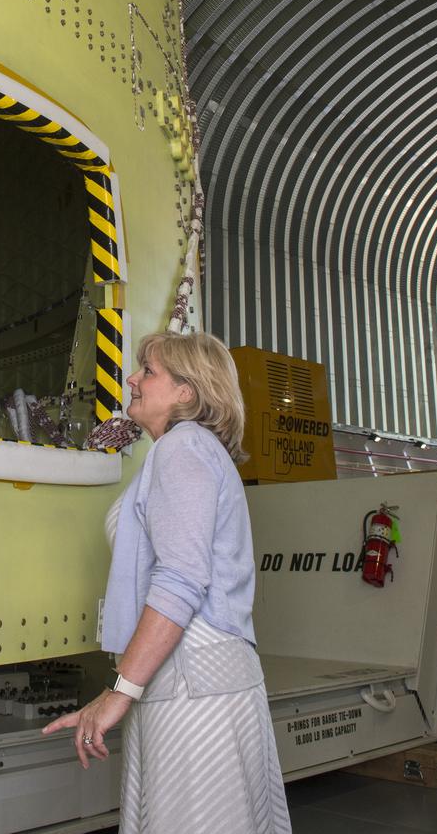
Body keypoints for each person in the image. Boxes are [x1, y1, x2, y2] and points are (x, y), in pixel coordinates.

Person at [42, 331, 291, 833]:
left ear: (186, 391)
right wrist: (124, 687)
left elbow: (179, 580)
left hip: (192, 686)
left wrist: (119, 692)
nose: (132, 379)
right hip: (190, 679)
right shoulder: (182, 451)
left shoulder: (184, 448)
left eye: (148, 371)